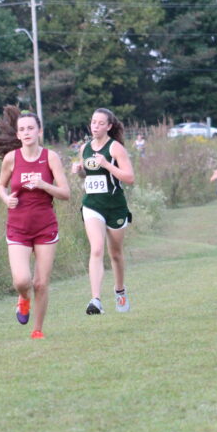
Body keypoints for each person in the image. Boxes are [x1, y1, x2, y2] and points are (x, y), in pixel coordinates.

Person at [0, 106, 70, 339]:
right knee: (22, 280)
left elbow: (66, 193)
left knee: (41, 284)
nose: (26, 133)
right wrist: (6, 198)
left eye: (30, 128)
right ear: (17, 135)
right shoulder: (11, 158)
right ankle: (23, 299)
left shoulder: (50, 157)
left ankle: (37, 330)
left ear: (39, 132)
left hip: (45, 226)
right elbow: (0, 185)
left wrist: (45, 185)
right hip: (18, 228)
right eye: (22, 129)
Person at [71, 108, 135, 315]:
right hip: (92, 204)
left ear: (109, 126)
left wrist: (107, 164)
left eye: (100, 123)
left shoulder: (115, 148)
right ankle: (96, 300)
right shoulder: (85, 148)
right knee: (96, 248)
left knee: (115, 253)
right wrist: (80, 171)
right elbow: (87, 176)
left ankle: (120, 290)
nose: (95, 126)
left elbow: (129, 178)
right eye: (93, 122)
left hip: (115, 206)